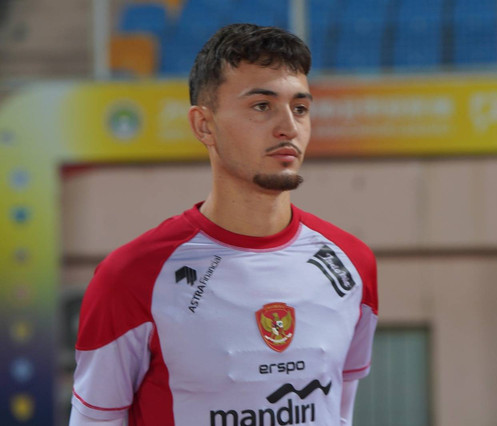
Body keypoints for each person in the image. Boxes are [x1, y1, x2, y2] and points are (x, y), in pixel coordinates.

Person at [69, 23, 378, 426]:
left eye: (300, 108)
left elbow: (338, 412)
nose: (289, 127)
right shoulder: (130, 277)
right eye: (262, 106)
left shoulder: (353, 264)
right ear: (204, 125)